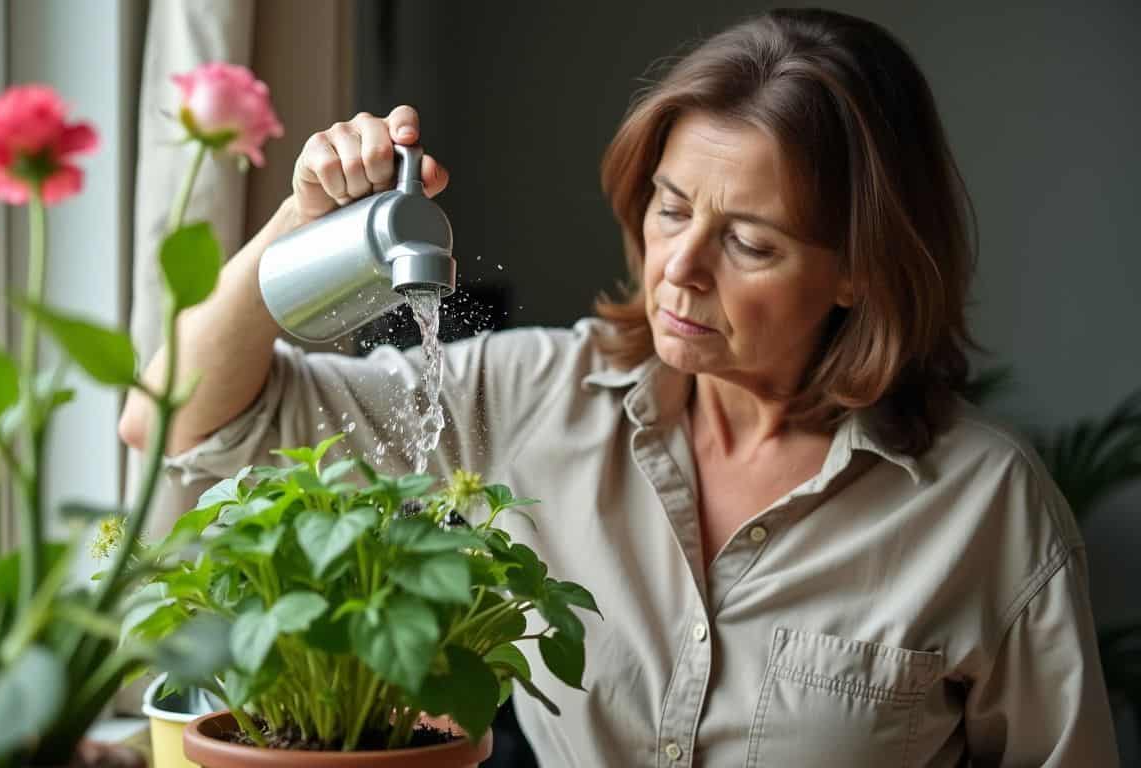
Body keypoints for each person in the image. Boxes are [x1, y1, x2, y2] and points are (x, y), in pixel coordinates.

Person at [119, 8, 1119, 766]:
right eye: (671, 208)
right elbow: (180, 421)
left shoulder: (986, 508)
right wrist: (300, 223)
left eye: (751, 243)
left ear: (859, 270)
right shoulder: (537, 397)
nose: (679, 268)